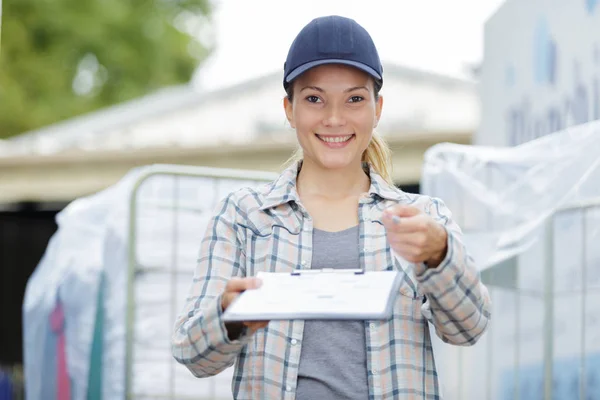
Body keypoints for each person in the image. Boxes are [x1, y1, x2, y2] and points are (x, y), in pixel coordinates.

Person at [172, 15, 491, 399]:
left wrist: (440, 255)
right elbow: (193, 354)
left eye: (355, 99)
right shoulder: (243, 217)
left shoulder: (423, 219)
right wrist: (229, 315)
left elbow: (468, 328)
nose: (335, 118)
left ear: (378, 108)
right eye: (314, 99)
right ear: (289, 109)